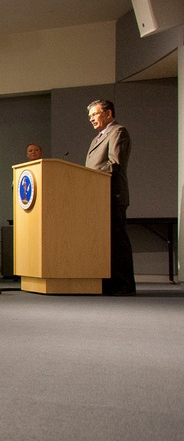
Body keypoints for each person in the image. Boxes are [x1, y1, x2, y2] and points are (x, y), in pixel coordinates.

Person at [86, 99, 135, 296]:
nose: (92, 119)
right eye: (90, 117)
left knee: (117, 240)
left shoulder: (118, 132)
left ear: (108, 113)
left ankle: (124, 285)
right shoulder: (97, 138)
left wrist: (90, 176)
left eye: (95, 115)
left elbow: (115, 164)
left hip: (112, 195)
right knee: (102, 242)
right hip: (96, 197)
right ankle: (107, 282)